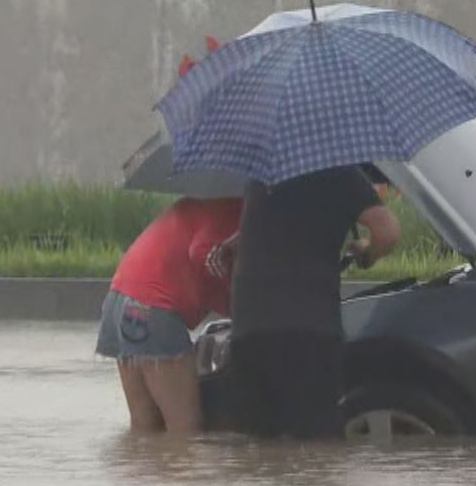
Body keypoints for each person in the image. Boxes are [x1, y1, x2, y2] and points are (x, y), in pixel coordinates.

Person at [228, 164, 400, 440]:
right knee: (317, 447)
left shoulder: (261, 174)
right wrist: (366, 254)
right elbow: (388, 232)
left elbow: (269, 230)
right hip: (308, 329)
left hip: (250, 328)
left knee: (257, 448)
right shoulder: (339, 173)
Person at [95, 196, 243, 435]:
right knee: (185, 432)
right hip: (154, 308)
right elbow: (201, 252)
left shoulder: (200, 204)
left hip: (118, 300)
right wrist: (236, 305)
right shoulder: (236, 212)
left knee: (145, 429)